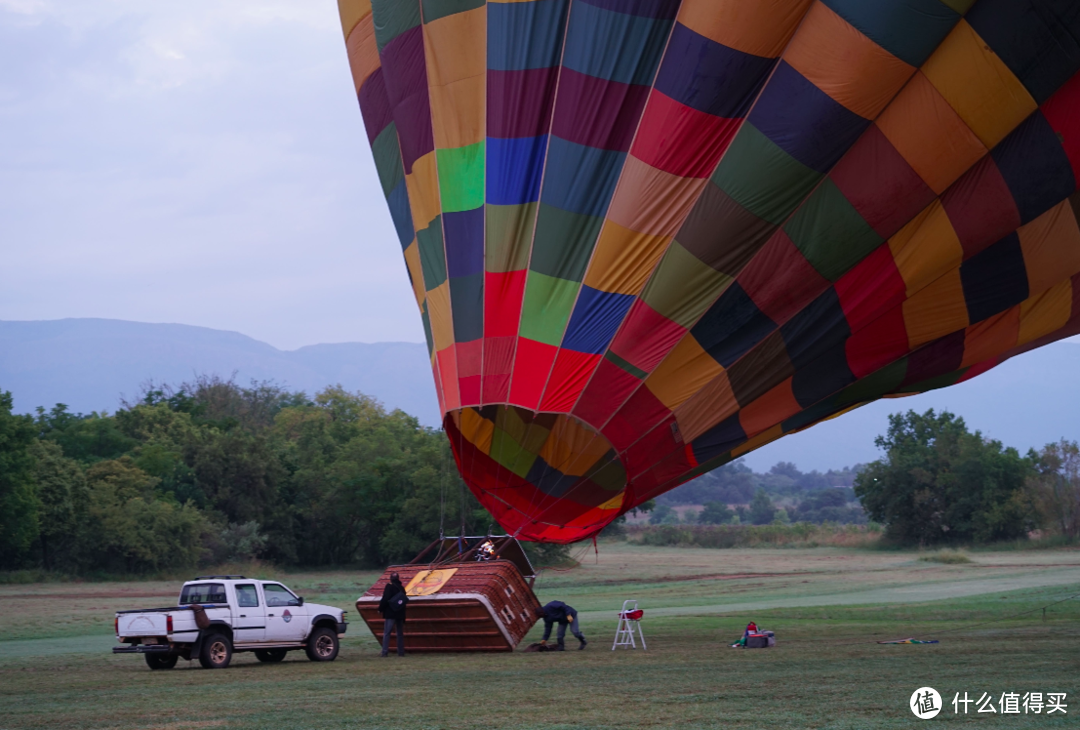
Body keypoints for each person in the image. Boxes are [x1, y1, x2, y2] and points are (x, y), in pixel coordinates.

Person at [378, 572, 408, 657]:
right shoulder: (402, 588)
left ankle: (384, 652)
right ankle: (401, 652)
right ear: (398, 578)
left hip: (390, 613)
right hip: (400, 613)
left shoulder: (389, 586)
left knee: (387, 633)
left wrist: (380, 609)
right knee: (399, 633)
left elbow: (385, 599)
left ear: (390, 578)